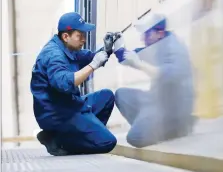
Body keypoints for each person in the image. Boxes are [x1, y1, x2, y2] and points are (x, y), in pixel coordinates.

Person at [31, 12, 117, 156]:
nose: (84, 39)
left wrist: (107, 50)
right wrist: (93, 66)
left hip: (69, 105)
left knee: (106, 97)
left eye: (84, 34)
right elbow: (64, 83)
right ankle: (58, 140)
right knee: (107, 142)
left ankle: (82, 135)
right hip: (57, 115)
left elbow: (90, 57)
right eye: (80, 35)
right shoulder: (54, 55)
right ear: (66, 36)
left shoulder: (68, 48)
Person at [113, 13, 195, 148]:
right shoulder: (155, 46)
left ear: (160, 33)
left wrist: (139, 64)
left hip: (172, 107)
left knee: (136, 137)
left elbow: (170, 75)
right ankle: (149, 124)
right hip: (156, 100)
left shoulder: (175, 47)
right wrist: (118, 47)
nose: (143, 38)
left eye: (146, 34)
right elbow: (129, 57)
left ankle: (175, 128)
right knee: (121, 95)